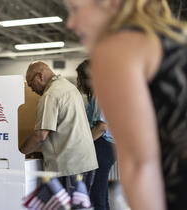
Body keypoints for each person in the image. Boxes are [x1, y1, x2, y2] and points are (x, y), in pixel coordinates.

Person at [65, 0, 187, 209]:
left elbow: (140, 164)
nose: (70, 23)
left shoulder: (117, 50)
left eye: (75, 10)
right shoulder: (177, 37)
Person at [20, 61, 98, 193]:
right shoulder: (69, 87)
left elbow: (41, 135)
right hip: (86, 163)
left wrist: (20, 153)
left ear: (40, 76)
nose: (32, 90)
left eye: (31, 85)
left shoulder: (50, 95)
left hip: (69, 167)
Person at [76, 60, 116, 210]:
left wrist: (84, 144)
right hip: (105, 145)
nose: (80, 82)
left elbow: (101, 126)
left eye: (80, 78)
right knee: (100, 192)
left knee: (97, 193)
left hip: (103, 144)